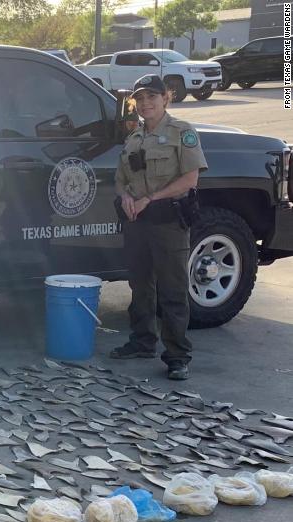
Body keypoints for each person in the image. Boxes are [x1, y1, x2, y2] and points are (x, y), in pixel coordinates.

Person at [110, 75, 207, 381]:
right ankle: (142, 341)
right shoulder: (134, 137)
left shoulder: (182, 132)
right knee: (140, 287)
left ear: (167, 97)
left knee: (172, 291)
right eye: (140, 98)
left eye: (152, 96)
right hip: (137, 222)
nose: (145, 103)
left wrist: (150, 198)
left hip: (167, 222)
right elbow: (120, 178)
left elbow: (189, 180)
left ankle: (177, 355)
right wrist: (125, 195)